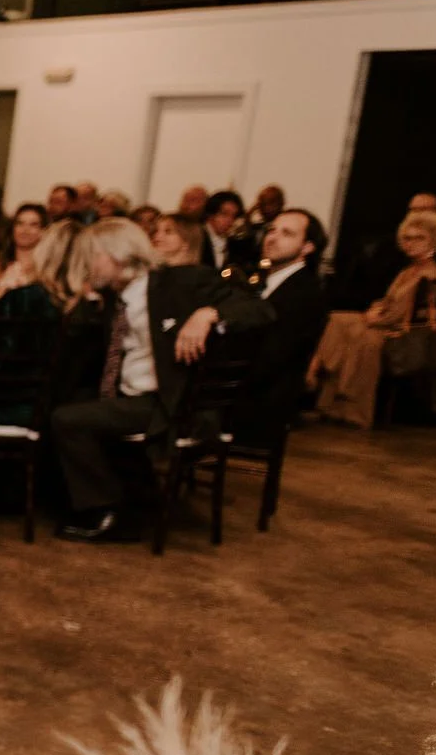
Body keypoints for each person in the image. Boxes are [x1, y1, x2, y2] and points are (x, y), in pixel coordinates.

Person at [50, 219, 274, 542]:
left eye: (92, 256)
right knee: (60, 404)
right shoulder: (113, 297)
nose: (86, 265)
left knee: (67, 420)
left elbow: (258, 309)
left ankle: (108, 511)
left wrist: (207, 314)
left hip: (168, 404)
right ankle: (123, 496)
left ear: (120, 255)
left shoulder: (179, 282)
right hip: (128, 395)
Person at [309, 208, 436, 428]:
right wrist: (375, 311)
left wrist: (375, 318)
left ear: (434, 241)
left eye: (418, 238)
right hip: (384, 319)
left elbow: (411, 313)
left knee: (361, 337)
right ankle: (324, 390)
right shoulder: (408, 271)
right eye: (407, 238)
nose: (411, 243)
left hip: (399, 330)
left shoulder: (431, 275)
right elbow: (388, 299)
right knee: (337, 320)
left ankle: (348, 405)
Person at [233, 208, 330, 444]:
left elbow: (271, 358)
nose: (272, 238)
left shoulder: (304, 293)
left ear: (307, 247)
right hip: (243, 392)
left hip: (258, 406)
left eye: (287, 233)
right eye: (272, 230)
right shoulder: (264, 281)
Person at [0, 203, 51, 294]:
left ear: (43, 231)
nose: (25, 230)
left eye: (33, 225)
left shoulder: (48, 271)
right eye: (20, 223)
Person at [202, 190, 257, 274]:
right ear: (211, 214)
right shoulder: (198, 238)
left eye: (233, 216)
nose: (230, 221)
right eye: (224, 214)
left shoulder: (233, 245)